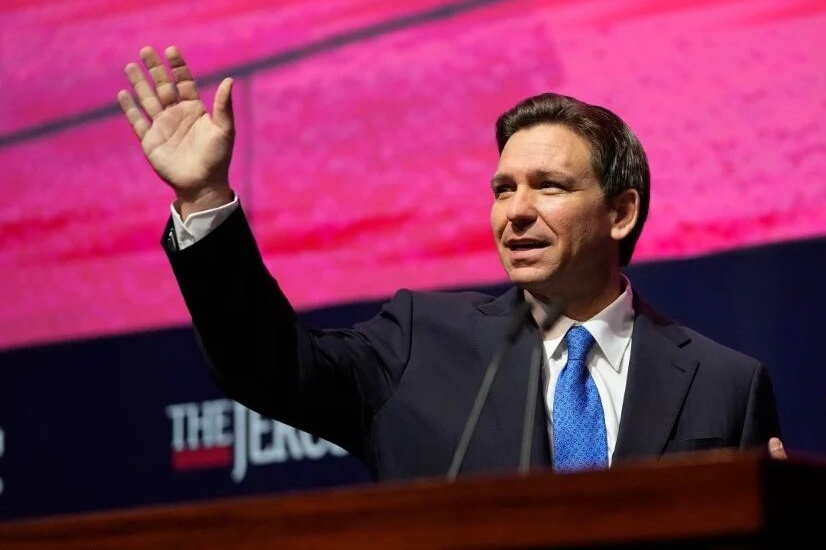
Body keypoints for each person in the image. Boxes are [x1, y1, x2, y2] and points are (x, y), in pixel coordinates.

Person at [118, 45, 784, 481]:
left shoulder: (723, 384)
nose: (514, 212)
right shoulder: (419, 342)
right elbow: (264, 366)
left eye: (548, 186)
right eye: (502, 189)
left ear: (621, 212)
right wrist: (205, 199)